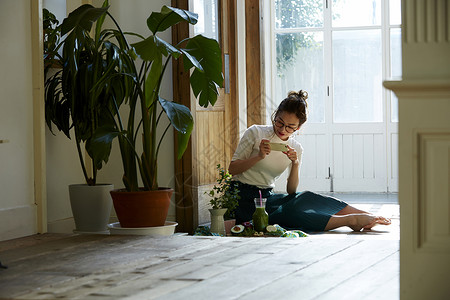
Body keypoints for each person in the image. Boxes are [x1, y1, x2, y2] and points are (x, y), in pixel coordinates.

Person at [228, 90, 391, 232]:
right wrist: (258, 157)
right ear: (275, 115)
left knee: (305, 197)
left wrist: (295, 163)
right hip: (242, 197)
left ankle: (369, 215)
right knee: (290, 214)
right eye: (279, 122)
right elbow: (232, 169)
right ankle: (350, 220)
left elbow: (291, 191)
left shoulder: (295, 148)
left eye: (290, 127)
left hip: (267, 196)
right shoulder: (255, 132)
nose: (283, 130)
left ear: (298, 128)